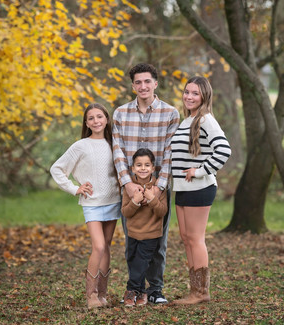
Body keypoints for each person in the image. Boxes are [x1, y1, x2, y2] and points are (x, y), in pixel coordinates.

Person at [112, 63, 180, 304]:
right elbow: (117, 151)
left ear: (155, 84)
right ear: (133, 86)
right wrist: (128, 185)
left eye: (147, 81)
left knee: (158, 242)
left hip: (158, 188)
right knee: (132, 241)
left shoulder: (170, 113)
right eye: (138, 82)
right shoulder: (120, 113)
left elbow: (170, 153)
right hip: (130, 189)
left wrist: (158, 188)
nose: (143, 86)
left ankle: (155, 291)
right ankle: (136, 289)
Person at [50, 103, 121, 309]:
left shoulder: (113, 143)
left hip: (113, 200)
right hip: (92, 203)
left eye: (100, 116)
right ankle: (91, 295)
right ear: (86, 123)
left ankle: (103, 294)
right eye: (91, 118)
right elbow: (57, 169)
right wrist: (75, 188)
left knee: (107, 247)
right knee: (98, 246)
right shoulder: (81, 145)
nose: (96, 121)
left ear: (107, 119)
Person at [170, 76, 231, 305]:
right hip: (182, 188)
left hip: (200, 187)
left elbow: (224, 150)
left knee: (195, 239)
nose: (189, 97)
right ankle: (194, 290)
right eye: (187, 92)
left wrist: (200, 171)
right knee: (186, 238)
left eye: (195, 93)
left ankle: (201, 292)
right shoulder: (188, 120)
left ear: (204, 96)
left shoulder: (206, 120)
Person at [121, 148, 168, 307]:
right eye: (139, 165)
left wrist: (151, 199)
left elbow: (162, 211)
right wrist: (135, 201)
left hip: (151, 233)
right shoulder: (130, 188)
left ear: (153, 168)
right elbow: (125, 212)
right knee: (134, 261)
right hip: (133, 232)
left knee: (141, 262)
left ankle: (130, 290)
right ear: (132, 168)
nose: (143, 168)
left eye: (147, 165)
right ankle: (141, 292)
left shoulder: (158, 187)